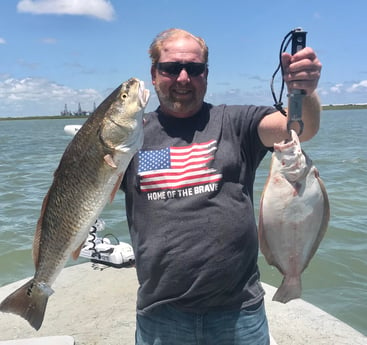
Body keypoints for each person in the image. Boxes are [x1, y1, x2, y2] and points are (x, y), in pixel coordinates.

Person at [122, 28, 322, 345]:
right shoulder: (131, 139)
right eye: (171, 68)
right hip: (162, 315)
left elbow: (299, 129)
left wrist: (305, 92)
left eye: (195, 68)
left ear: (206, 74)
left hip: (239, 313)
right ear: (154, 73)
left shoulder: (235, 122)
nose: (183, 78)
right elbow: (85, 189)